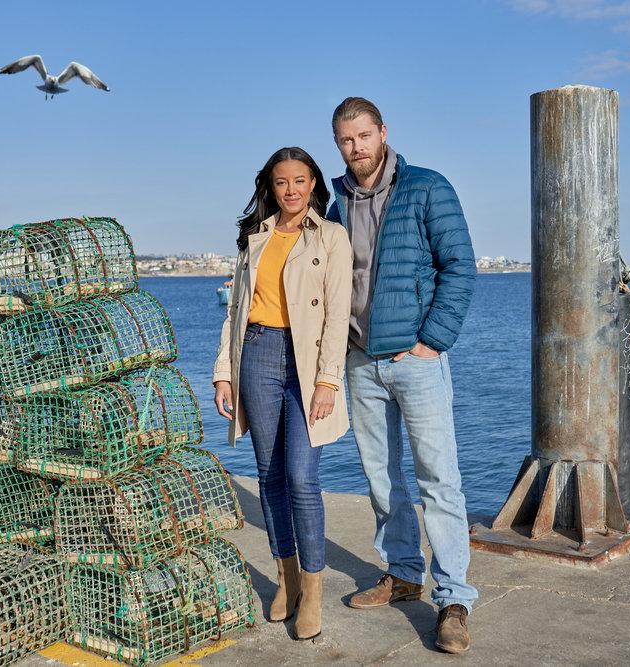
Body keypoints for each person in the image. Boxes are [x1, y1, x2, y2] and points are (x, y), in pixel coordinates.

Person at [326, 97, 478, 654]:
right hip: (360, 361)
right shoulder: (336, 204)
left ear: (383, 132)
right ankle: (404, 574)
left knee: (439, 479)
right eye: (345, 140)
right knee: (381, 479)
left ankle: (455, 598)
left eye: (363, 136)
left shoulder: (427, 187)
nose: (356, 148)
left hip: (416, 362)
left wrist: (431, 341)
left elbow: (460, 265)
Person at [212, 146, 352, 640]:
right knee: (270, 475)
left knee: (301, 476)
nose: (290, 190)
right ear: (270, 188)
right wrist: (223, 371)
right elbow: (235, 311)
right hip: (258, 354)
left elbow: (338, 316)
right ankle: (286, 579)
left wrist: (328, 381)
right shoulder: (255, 239)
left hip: (308, 360)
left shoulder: (332, 237)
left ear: (314, 182)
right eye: (280, 183)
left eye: (299, 180)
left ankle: (313, 590)